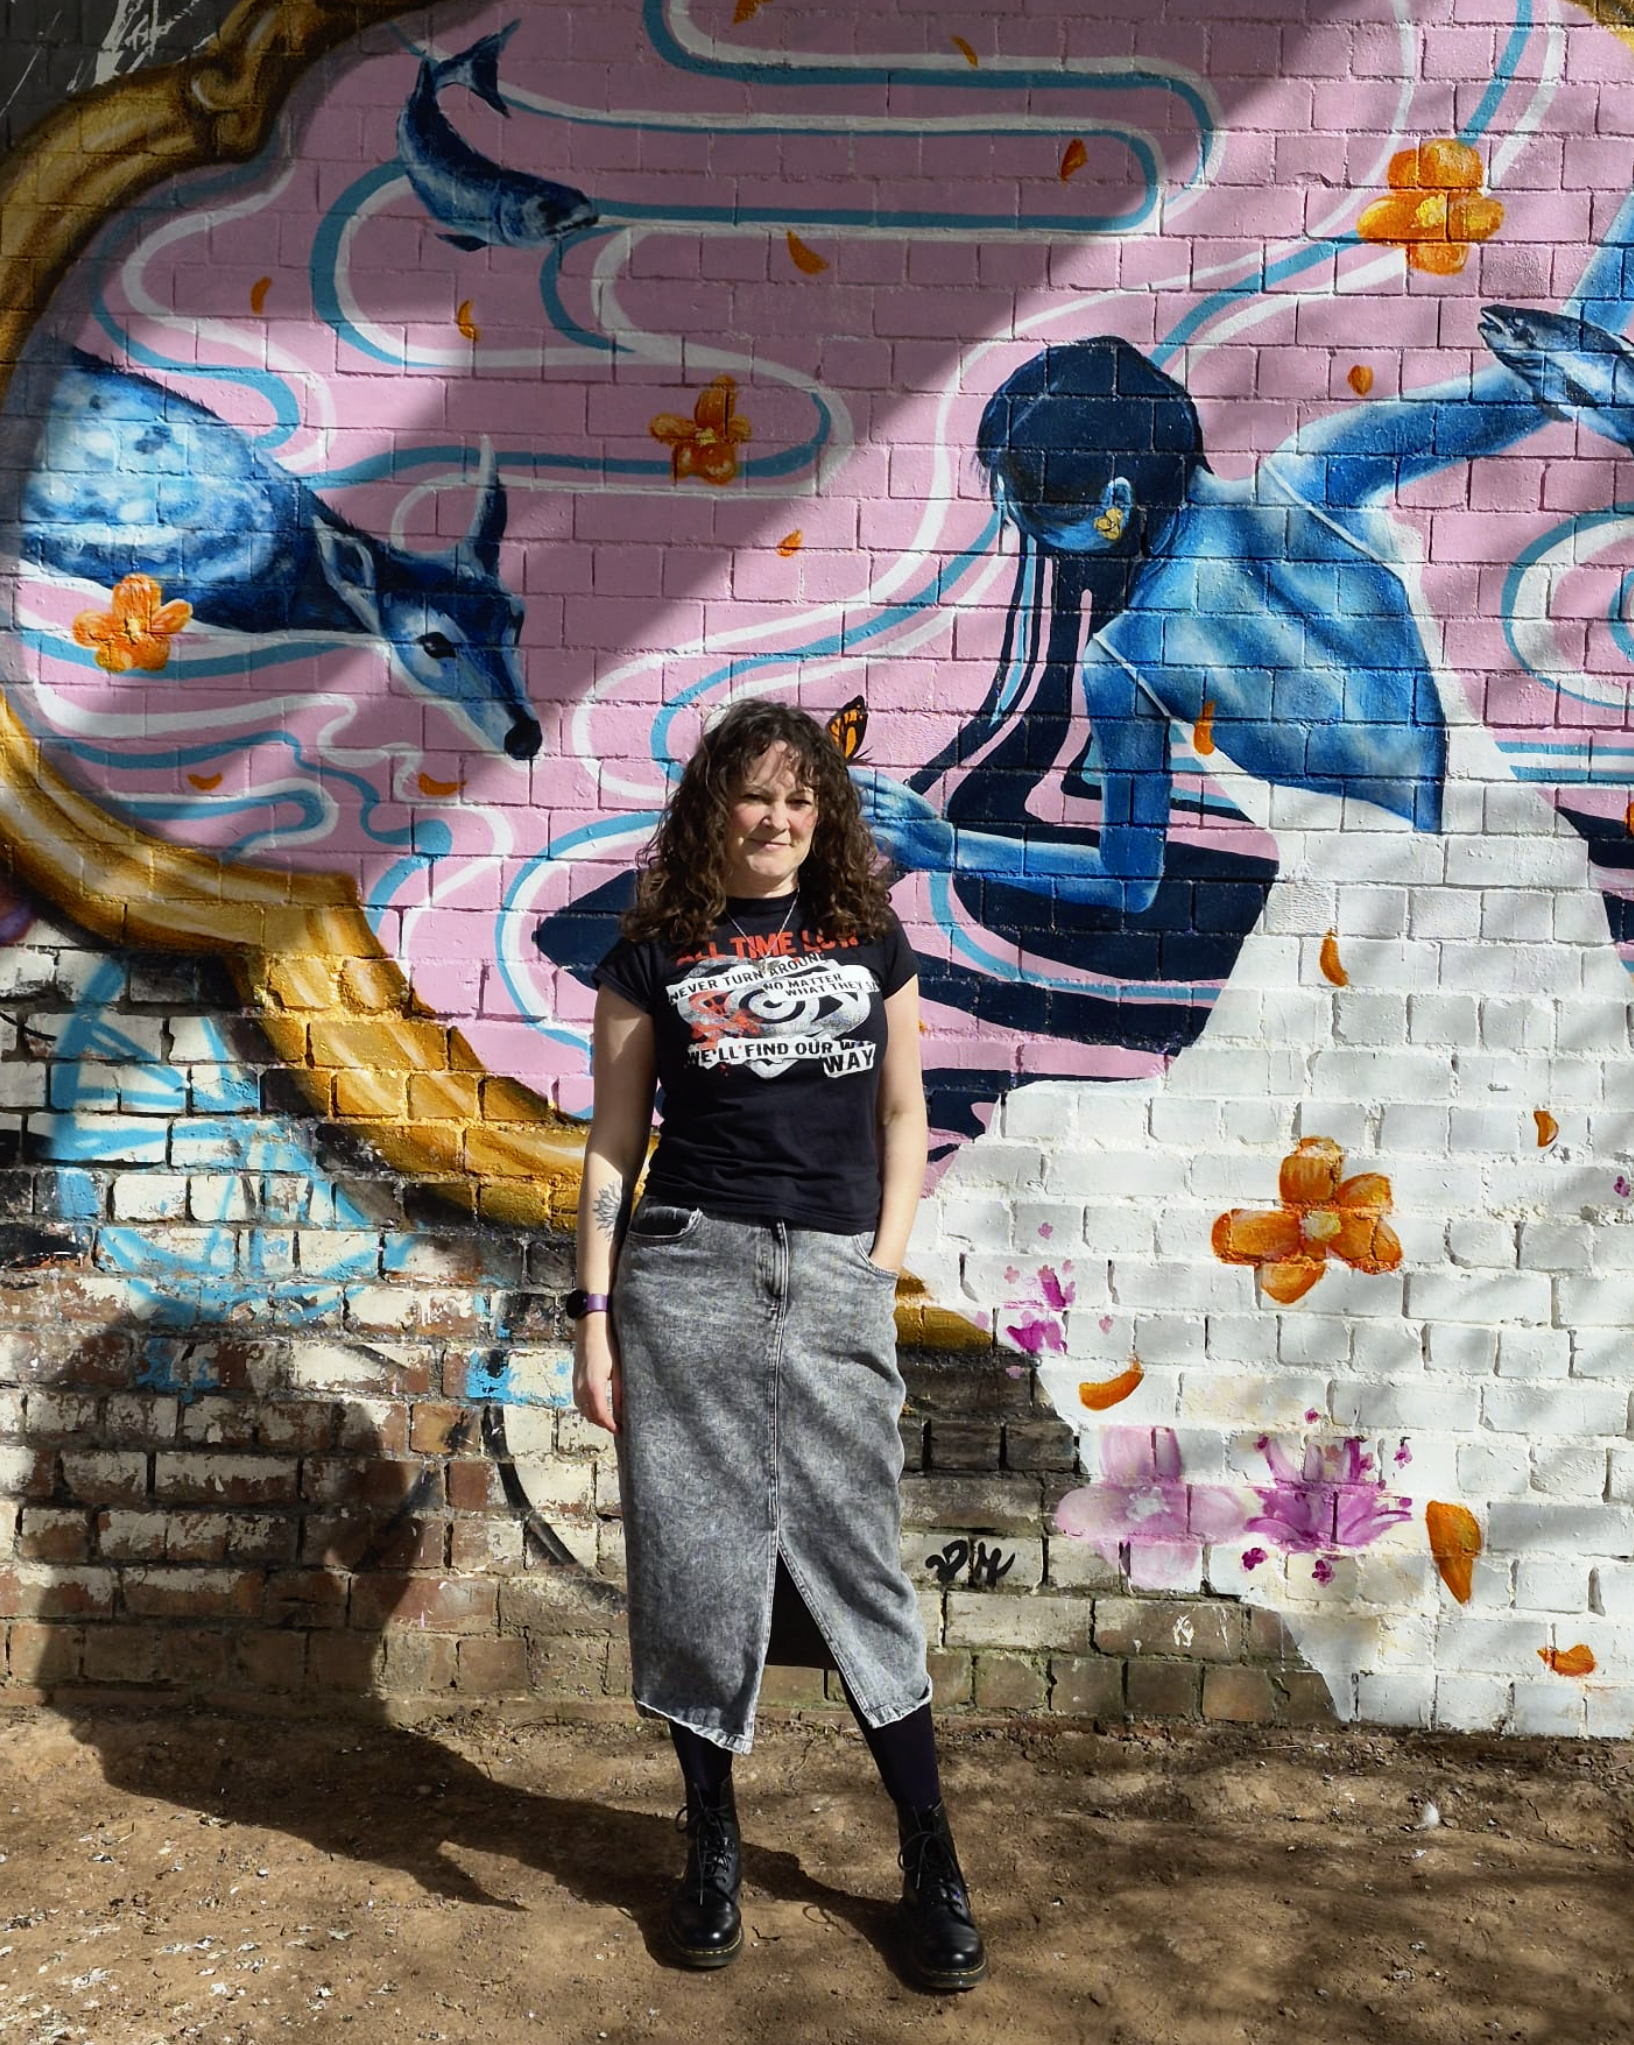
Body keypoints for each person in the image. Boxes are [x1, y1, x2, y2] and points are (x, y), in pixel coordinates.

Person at [568, 698, 987, 1990]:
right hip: (689, 1269)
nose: (777, 819)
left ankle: (929, 1854)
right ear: (714, 808)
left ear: (824, 816)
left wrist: (881, 1255)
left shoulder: (871, 941)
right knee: (697, 1564)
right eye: (755, 797)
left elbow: (908, 1109)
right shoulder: (652, 954)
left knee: (858, 1565)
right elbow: (611, 1141)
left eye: (800, 800)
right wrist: (589, 1316)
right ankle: (710, 1841)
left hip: (831, 1275)